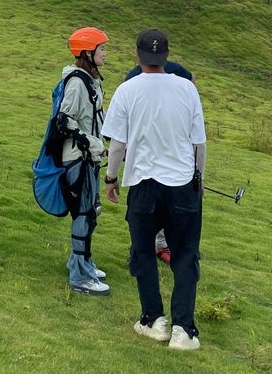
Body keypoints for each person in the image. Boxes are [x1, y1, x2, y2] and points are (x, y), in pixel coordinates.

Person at [102, 29, 206, 350]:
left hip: (145, 185)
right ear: (166, 56)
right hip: (182, 185)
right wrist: (198, 179)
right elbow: (198, 143)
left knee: (144, 251)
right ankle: (183, 331)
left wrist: (111, 178)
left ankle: (153, 319)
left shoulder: (127, 90)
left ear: (138, 55)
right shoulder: (187, 88)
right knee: (185, 255)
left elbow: (117, 144)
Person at [123, 58, 195, 265]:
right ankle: (139, 251)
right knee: (141, 210)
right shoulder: (133, 77)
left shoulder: (175, 71)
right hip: (144, 161)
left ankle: (164, 246)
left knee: (167, 208)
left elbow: (191, 79)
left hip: (171, 159)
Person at [59, 27, 109, 295]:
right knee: (83, 213)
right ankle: (79, 277)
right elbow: (65, 120)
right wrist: (93, 144)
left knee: (90, 212)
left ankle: (81, 261)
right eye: (101, 49)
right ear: (87, 52)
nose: (105, 54)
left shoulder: (90, 80)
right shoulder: (78, 83)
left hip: (90, 157)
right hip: (78, 158)